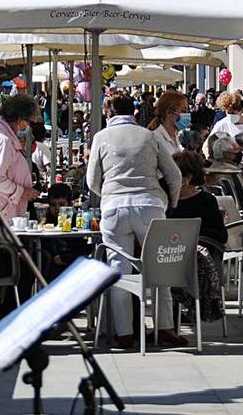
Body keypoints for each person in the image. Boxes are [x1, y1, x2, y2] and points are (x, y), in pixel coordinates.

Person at [89, 95, 184, 348]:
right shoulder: (149, 136)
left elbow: (91, 181)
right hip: (150, 205)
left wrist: (109, 195)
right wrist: (170, 203)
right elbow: (174, 175)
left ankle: (124, 333)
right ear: (132, 111)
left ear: (108, 111)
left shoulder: (101, 137)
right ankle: (164, 327)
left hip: (114, 208)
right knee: (159, 267)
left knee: (119, 271)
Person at [167, 150, 228, 322]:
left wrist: (193, 237)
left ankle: (185, 309)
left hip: (194, 257)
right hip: (168, 254)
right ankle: (169, 317)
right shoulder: (164, 201)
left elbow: (220, 235)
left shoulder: (206, 201)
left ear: (187, 178)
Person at [0, 94, 41, 219]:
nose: (27, 126)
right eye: (28, 122)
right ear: (20, 119)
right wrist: (21, 192)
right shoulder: (1, 140)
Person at [149, 90, 191, 156]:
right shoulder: (155, 139)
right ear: (169, 113)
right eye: (183, 111)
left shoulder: (175, 136)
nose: (187, 114)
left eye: (187, 110)